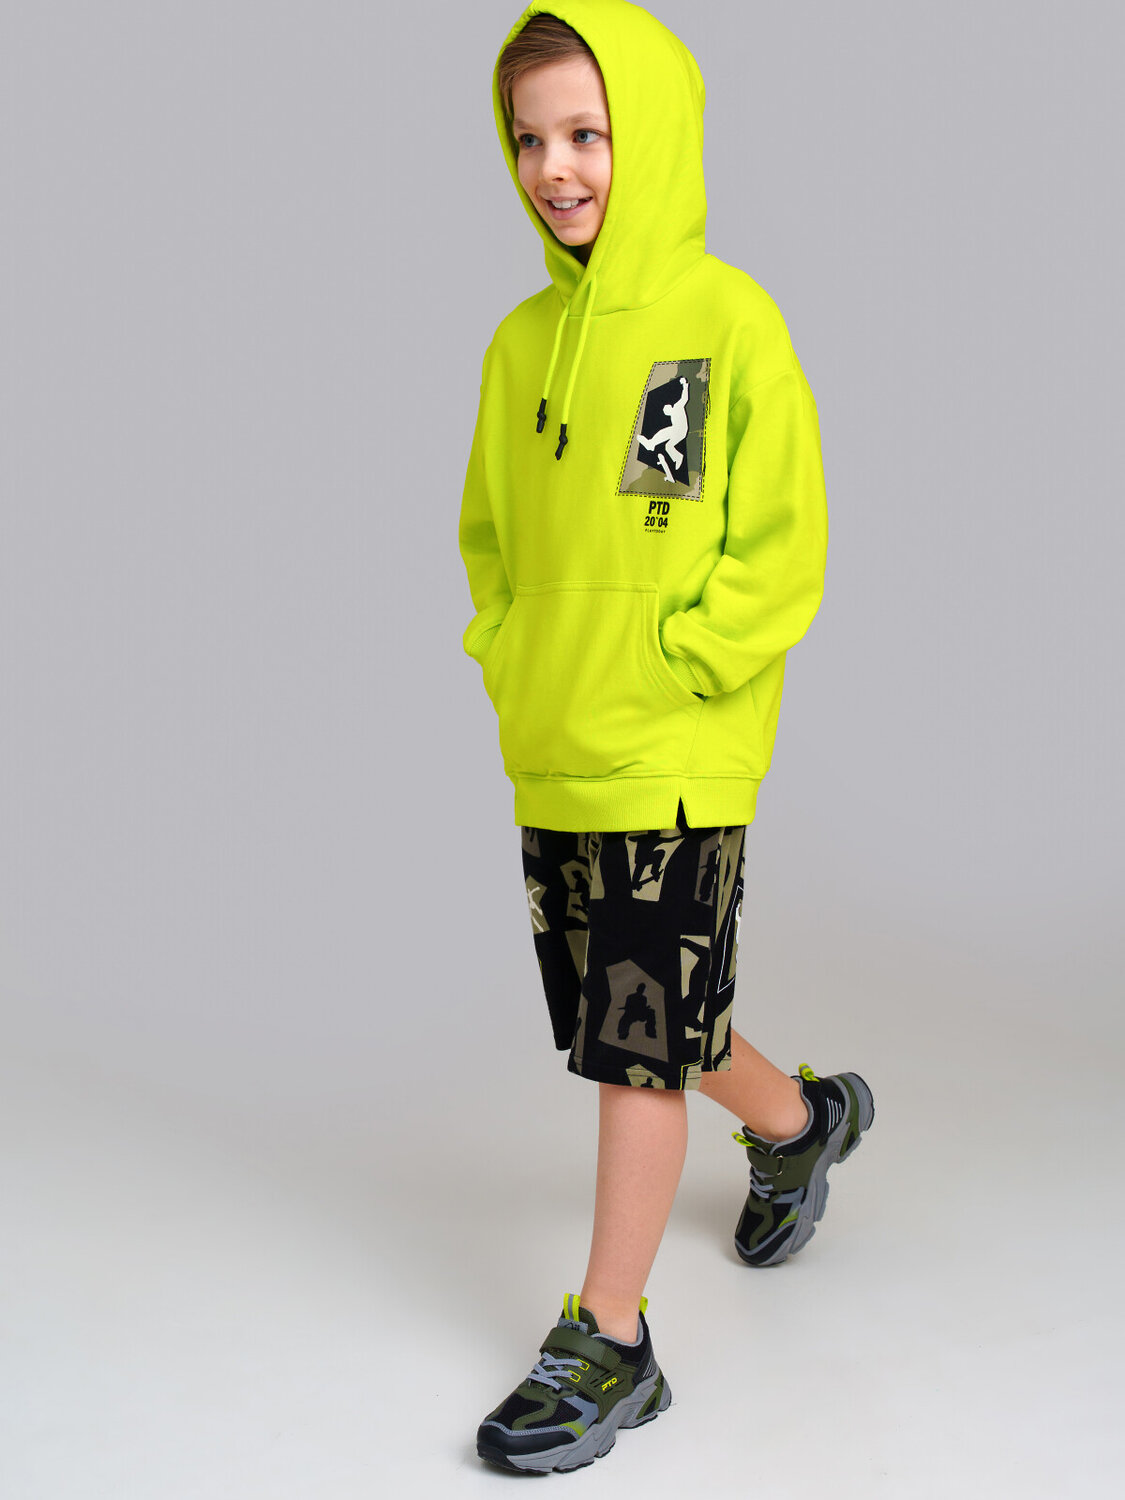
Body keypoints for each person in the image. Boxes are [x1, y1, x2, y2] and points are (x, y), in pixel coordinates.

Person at [457, 0, 873, 1475]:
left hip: (674, 749)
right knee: (632, 1014)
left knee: (631, 1053)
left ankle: (611, 1339)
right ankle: (800, 1124)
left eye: (587, 133)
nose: (554, 168)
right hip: (555, 744)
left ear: (657, 135)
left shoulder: (725, 320)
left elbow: (781, 541)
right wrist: (512, 659)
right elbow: (489, 542)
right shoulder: (521, 345)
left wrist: (678, 664)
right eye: (529, 140)